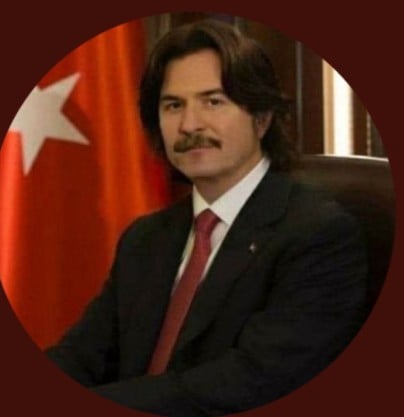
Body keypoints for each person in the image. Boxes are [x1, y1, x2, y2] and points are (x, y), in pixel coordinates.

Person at [46, 19, 368, 416]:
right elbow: (81, 356)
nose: (190, 124)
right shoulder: (145, 238)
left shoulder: (317, 235)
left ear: (262, 118)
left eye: (213, 101)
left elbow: (250, 381)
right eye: (173, 105)